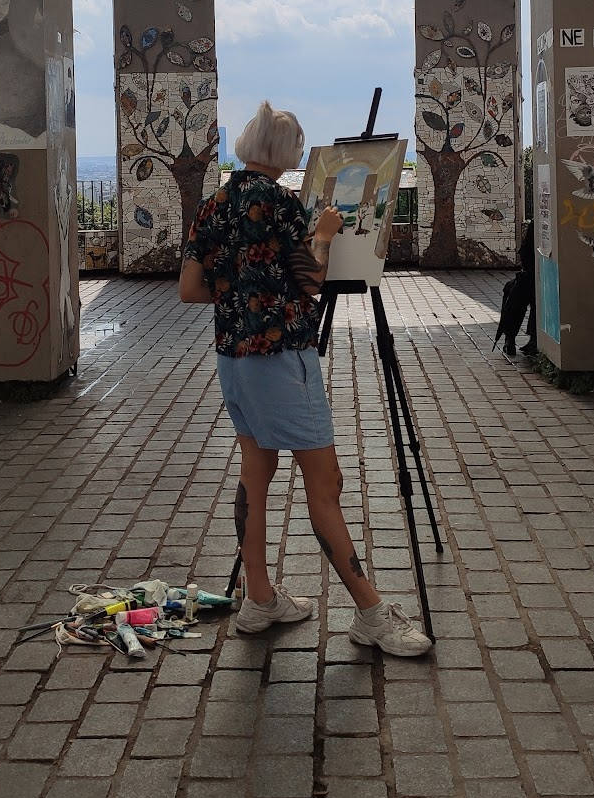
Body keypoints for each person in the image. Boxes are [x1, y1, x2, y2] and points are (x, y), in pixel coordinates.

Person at [180, 101, 432, 658]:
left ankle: (259, 599)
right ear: (287, 153)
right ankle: (371, 613)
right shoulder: (278, 202)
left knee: (256, 474)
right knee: (326, 483)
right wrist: (324, 232)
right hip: (281, 358)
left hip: (233, 358)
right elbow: (313, 279)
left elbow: (190, 290)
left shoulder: (212, 204)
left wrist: (242, 291)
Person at [494, 219, 537, 357]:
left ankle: (510, 337)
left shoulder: (537, 223)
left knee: (515, 292)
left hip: (535, 277)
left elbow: (525, 252)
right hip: (535, 275)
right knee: (514, 289)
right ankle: (528, 338)